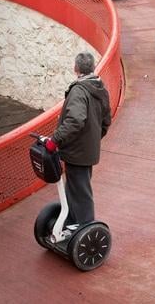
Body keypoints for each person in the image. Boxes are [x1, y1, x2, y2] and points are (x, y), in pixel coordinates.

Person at [44, 51, 111, 226]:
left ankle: (85, 226)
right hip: (86, 150)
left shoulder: (79, 91)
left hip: (76, 151)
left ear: (76, 68)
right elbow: (106, 121)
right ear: (92, 67)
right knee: (75, 187)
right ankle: (73, 221)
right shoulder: (100, 88)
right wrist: (93, 140)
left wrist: (55, 140)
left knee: (80, 190)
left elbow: (75, 120)